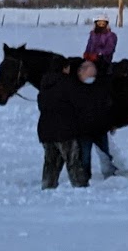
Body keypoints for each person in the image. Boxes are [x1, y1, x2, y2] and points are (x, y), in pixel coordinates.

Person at [36, 59, 90, 189]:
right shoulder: (68, 84)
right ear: (63, 68)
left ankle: (47, 187)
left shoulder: (44, 85)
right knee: (73, 162)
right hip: (65, 132)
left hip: (46, 132)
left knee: (50, 163)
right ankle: (81, 189)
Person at [74, 59, 121, 179]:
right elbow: (108, 107)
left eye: (81, 70)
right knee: (105, 152)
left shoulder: (77, 89)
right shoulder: (101, 88)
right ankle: (110, 173)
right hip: (100, 128)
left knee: (84, 155)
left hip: (84, 129)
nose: (79, 72)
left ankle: (85, 175)